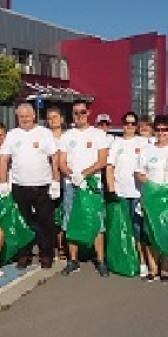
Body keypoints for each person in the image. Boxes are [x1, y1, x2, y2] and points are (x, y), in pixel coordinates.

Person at [0, 103, 60, 269]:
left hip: (42, 185)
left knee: (45, 222)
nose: (24, 119)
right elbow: (3, 159)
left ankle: (46, 254)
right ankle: (24, 254)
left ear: (33, 116)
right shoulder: (12, 135)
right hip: (20, 186)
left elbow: (54, 158)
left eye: (27, 116)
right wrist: (2, 183)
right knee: (22, 222)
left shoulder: (44, 133)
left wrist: (56, 181)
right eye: (21, 116)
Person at [57, 99, 110, 276]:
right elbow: (61, 162)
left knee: (97, 221)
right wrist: (72, 175)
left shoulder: (98, 134)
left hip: (91, 184)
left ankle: (100, 260)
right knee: (70, 220)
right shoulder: (67, 136)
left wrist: (84, 174)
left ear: (88, 113)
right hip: (72, 184)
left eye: (82, 112)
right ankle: (73, 260)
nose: (79, 115)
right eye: (76, 113)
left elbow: (102, 160)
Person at [135, 114, 168, 283]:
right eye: (157, 130)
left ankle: (165, 269)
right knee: (151, 233)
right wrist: (151, 186)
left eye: (164, 130)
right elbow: (139, 173)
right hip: (152, 199)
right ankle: (153, 268)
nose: (161, 133)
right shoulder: (146, 151)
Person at [106, 111, 149, 277]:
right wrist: (111, 189)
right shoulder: (116, 143)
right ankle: (126, 260)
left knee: (139, 229)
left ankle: (143, 261)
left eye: (132, 123)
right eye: (126, 123)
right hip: (121, 193)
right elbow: (110, 167)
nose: (129, 126)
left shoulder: (144, 142)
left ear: (136, 126)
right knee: (123, 228)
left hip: (139, 193)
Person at [46, 107, 67, 258]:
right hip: (48, 181)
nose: (52, 120)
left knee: (64, 213)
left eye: (55, 117)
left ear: (61, 119)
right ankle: (51, 245)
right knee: (50, 215)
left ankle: (62, 245)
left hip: (65, 180)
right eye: (49, 118)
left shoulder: (67, 137)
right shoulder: (45, 138)